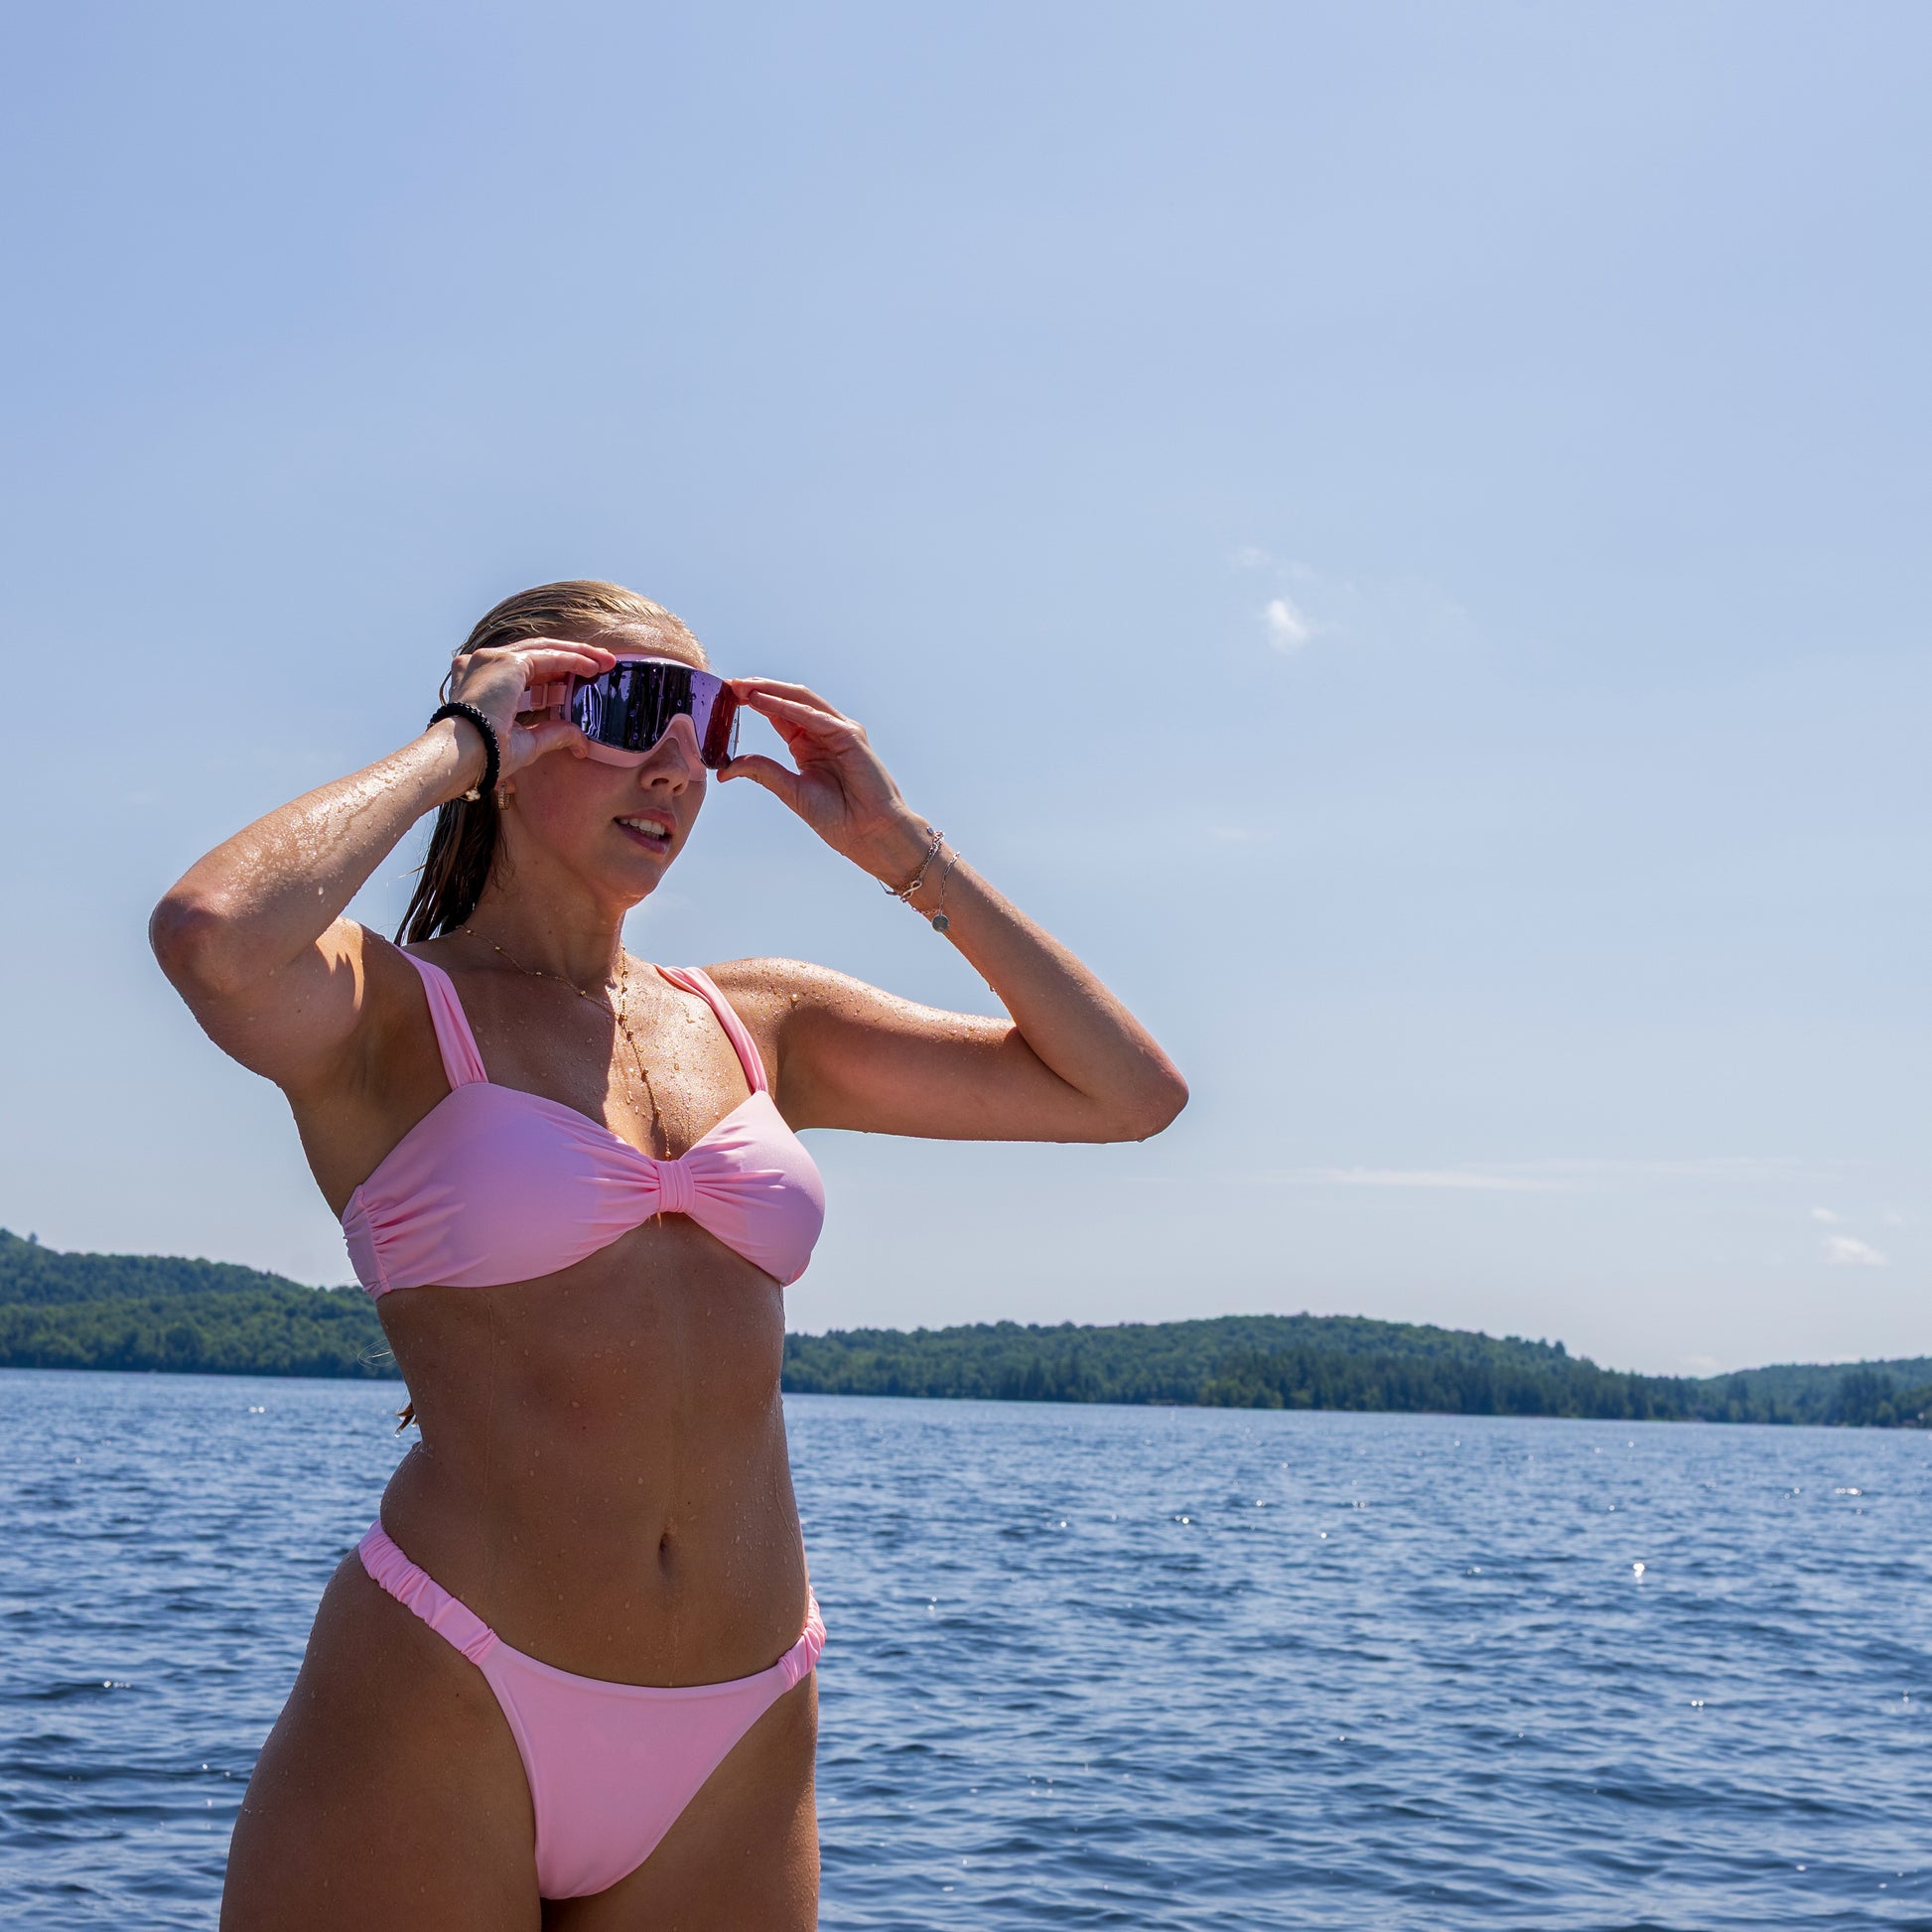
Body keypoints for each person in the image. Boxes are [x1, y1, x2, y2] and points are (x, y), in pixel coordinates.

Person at [151, 579, 1186, 1930]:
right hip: (449, 1686)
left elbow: (1127, 1094)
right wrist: (450, 745)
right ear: (517, 724)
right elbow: (212, 936)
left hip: (742, 1719)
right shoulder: (388, 1015)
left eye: (706, 718)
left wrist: (901, 852)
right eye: (633, 708)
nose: (677, 763)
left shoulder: (761, 1018)